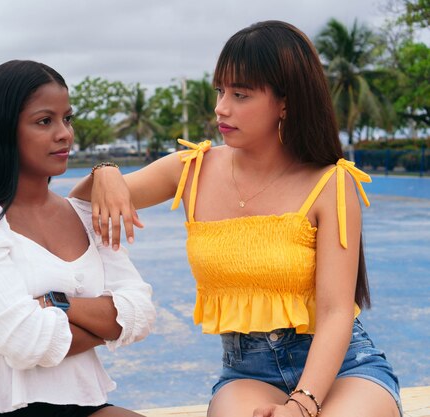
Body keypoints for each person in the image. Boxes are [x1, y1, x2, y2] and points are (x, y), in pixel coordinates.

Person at [70, 21, 401, 417]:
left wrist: (302, 404)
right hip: (248, 371)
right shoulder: (191, 169)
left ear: (286, 102)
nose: (221, 108)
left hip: (344, 369)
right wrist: (105, 171)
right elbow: (82, 206)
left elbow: (335, 312)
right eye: (220, 91)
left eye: (240, 94)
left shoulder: (332, 182)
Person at [0, 60, 155, 417]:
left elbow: (140, 314)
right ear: (2, 130)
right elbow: (26, 342)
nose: (64, 134)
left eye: (67, 118)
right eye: (44, 121)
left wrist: (52, 303)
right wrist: (107, 328)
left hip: (80, 403)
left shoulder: (85, 215)